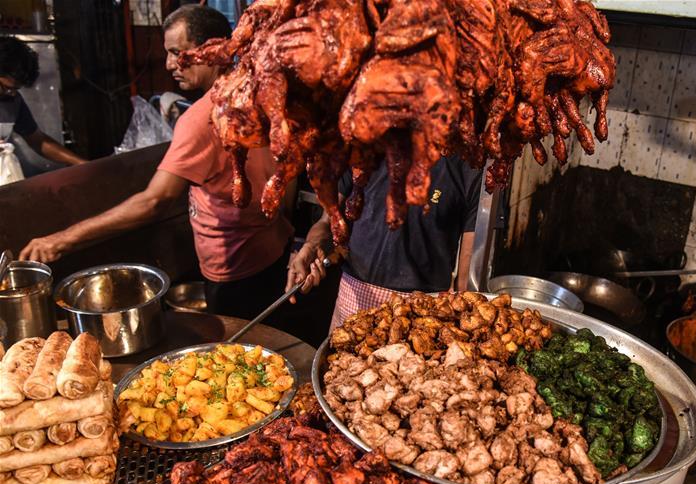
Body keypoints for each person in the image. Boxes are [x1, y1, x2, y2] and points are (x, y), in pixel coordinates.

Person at [19, 5, 303, 322]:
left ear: (215, 49)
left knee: (241, 349)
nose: (169, 64)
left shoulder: (202, 119)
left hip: (235, 271)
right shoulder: (266, 94)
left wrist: (61, 240)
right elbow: (289, 172)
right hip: (275, 250)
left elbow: (155, 201)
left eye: (177, 53)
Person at [287, 155, 482, 328]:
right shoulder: (364, 147)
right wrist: (312, 246)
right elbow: (327, 221)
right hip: (354, 302)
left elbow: (466, 278)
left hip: (424, 315)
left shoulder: (468, 163)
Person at [0, 36, 86, 167]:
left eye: (16, 89)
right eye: (6, 88)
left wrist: (83, 165)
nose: (11, 94)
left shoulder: (13, 102)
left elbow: (37, 140)